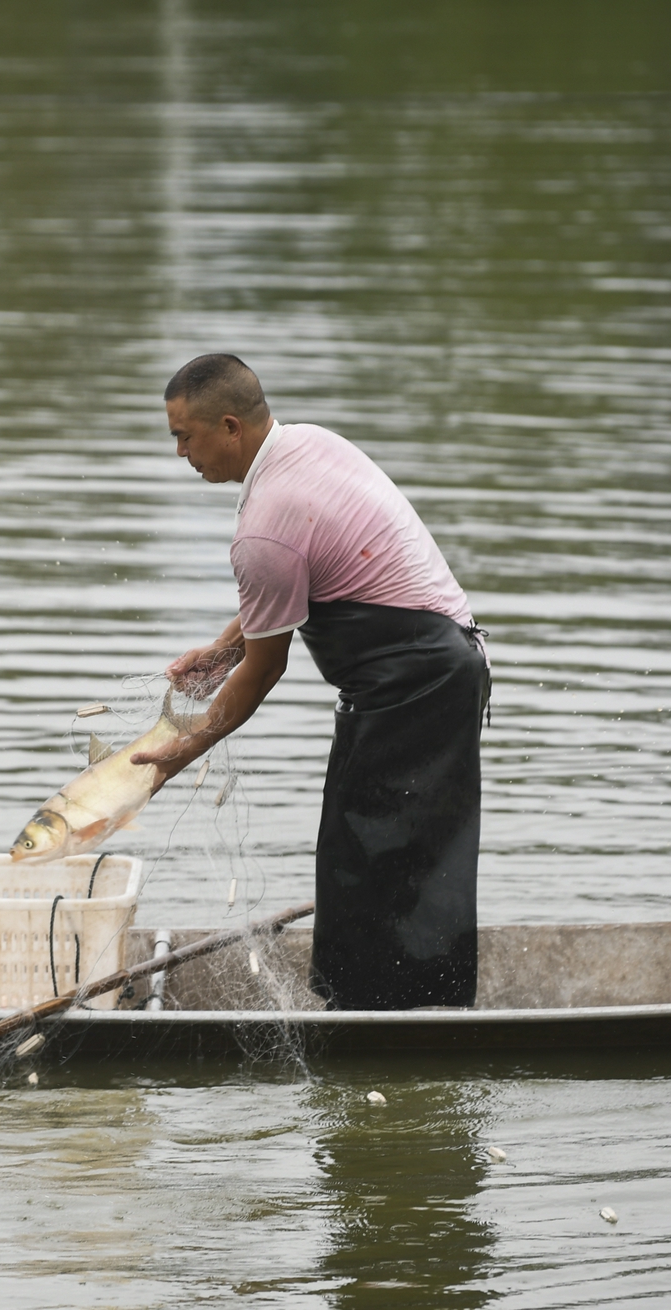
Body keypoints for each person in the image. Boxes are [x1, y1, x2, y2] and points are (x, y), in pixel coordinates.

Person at [131, 354, 489, 1010]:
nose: (179, 451)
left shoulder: (264, 526)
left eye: (185, 436)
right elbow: (286, 589)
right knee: (377, 856)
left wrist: (182, 750)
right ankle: (394, 1002)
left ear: (231, 426)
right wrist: (219, 651)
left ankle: (390, 1012)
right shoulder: (306, 444)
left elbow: (265, 671)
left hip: (416, 682)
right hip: (437, 665)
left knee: (378, 856)